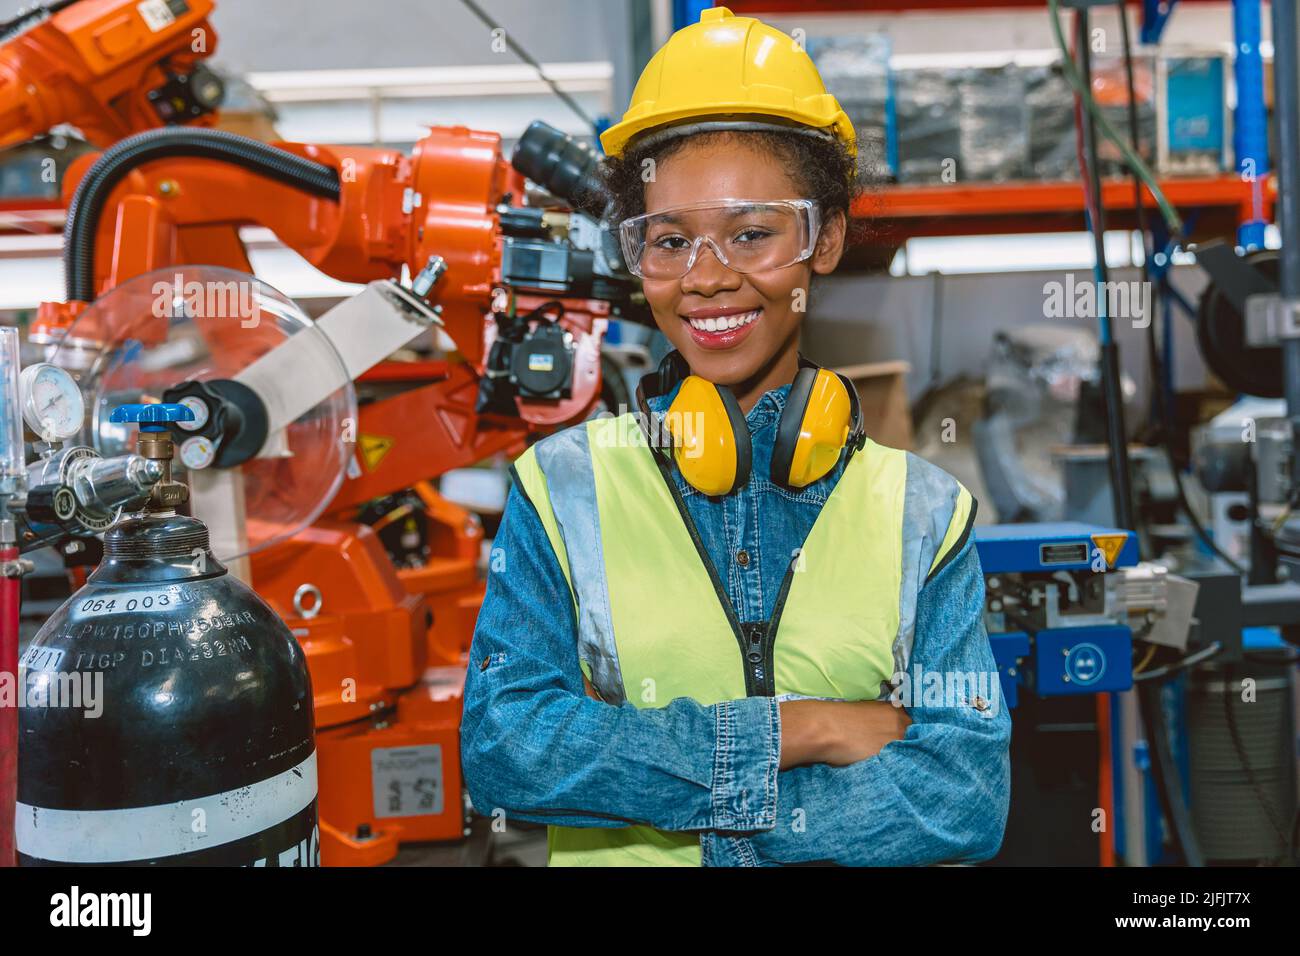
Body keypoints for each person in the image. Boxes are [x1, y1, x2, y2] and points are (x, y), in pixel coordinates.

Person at [461, 6, 1010, 867]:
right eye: (669, 240)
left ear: (824, 238)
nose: (708, 278)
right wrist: (804, 731)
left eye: (752, 233)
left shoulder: (924, 513)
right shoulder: (559, 489)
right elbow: (507, 748)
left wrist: (702, 830)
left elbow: (964, 797)